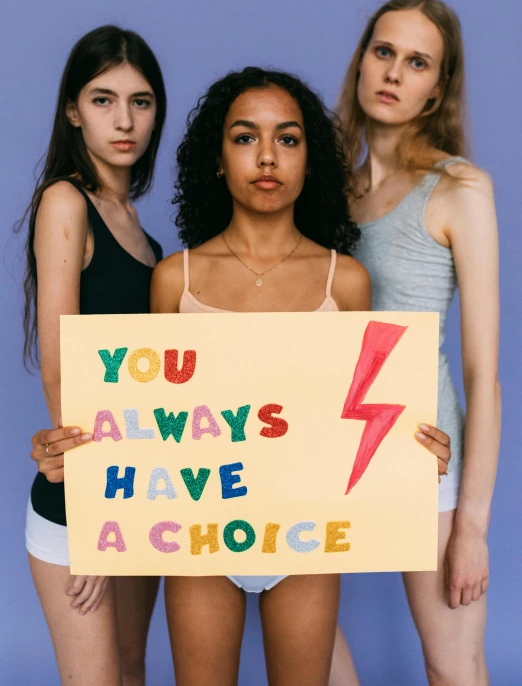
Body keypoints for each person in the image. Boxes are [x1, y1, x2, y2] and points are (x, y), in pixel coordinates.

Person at [150, 66, 451, 686]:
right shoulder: (173, 280)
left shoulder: (344, 281)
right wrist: (86, 449)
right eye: (244, 137)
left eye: (288, 139)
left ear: (310, 161)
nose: (266, 156)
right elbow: (151, 417)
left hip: (306, 537)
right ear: (217, 158)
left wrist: (409, 447)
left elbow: (357, 415)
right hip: (197, 537)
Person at [332, 0, 500, 686]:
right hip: (329, 445)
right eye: (383, 51)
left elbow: (483, 371)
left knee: (452, 664)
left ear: (439, 84)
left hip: (424, 455)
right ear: (362, 61)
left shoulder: (459, 189)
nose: (394, 72)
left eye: (417, 61)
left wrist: (472, 525)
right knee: (302, 645)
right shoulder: (327, 193)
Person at [23, 25, 167, 686]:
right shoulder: (65, 201)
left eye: (140, 101)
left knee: (134, 667)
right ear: (72, 110)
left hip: (141, 490)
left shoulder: (143, 233)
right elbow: (62, 365)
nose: (124, 119)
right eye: (103, 99)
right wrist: (96, 515)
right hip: (83, 498)